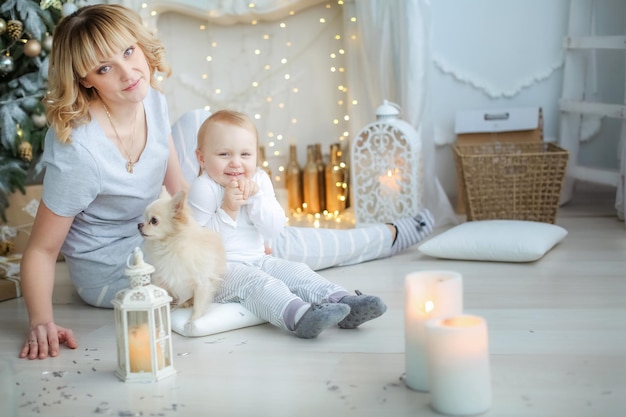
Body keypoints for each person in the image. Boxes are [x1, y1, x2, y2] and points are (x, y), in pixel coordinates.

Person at [18, 4, 434, 359]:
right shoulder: (79, 153)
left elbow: (181, 198)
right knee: (244, 262)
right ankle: (380, 243)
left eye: (129, 52)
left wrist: (218, 227)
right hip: (118, 265)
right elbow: (41, 249)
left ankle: (368, 252)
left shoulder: (151, 101)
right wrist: (41, 321)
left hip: (158, 231)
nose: (129, 72)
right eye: (105, 67)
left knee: (259, 231)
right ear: (86, 79)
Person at [189, 110, 389, 338]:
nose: (236, 163)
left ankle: (344, 302)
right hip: (219, 273)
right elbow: (196, 245)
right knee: (258, 284)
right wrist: (228, 210)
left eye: (245, 154)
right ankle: (301, 316)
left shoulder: (260, 181)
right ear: (202, 158)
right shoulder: (203, 188)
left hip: (257, 259)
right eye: (224, 154)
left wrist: (257, 199)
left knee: (295, 271)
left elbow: (273, 229)